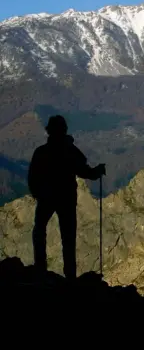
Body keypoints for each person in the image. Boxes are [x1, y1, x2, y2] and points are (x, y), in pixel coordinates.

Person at [28, 115, 105, 280]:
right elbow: (86, 172)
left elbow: (32, 176)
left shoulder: (41, 152)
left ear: (49, 131)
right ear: (64, 130)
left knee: (39, 230)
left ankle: (40, 267)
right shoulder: (70, 152)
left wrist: (37, 194)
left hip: (46, 197)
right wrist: (98, 171)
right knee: (68, 238)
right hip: (66, 199)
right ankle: (70, 275)